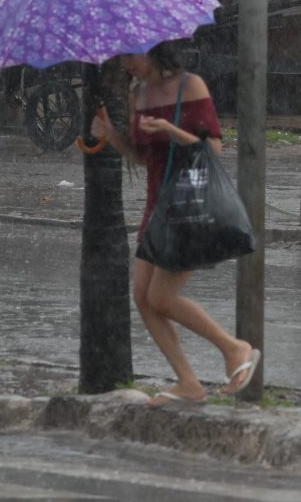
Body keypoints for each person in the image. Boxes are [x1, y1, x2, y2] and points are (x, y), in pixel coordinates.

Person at [91, 41, 260, 408]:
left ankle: (234, 348)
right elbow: (142, 154)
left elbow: (212, 149)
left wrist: (170, 129)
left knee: (161, 298)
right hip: (157, 209)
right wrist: (112, 136)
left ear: (152, 50)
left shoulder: (190, 86)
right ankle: (188, 382)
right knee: (143, 298)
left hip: (189, 206)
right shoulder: (139, 94)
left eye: (129, 55)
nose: (125, 65)